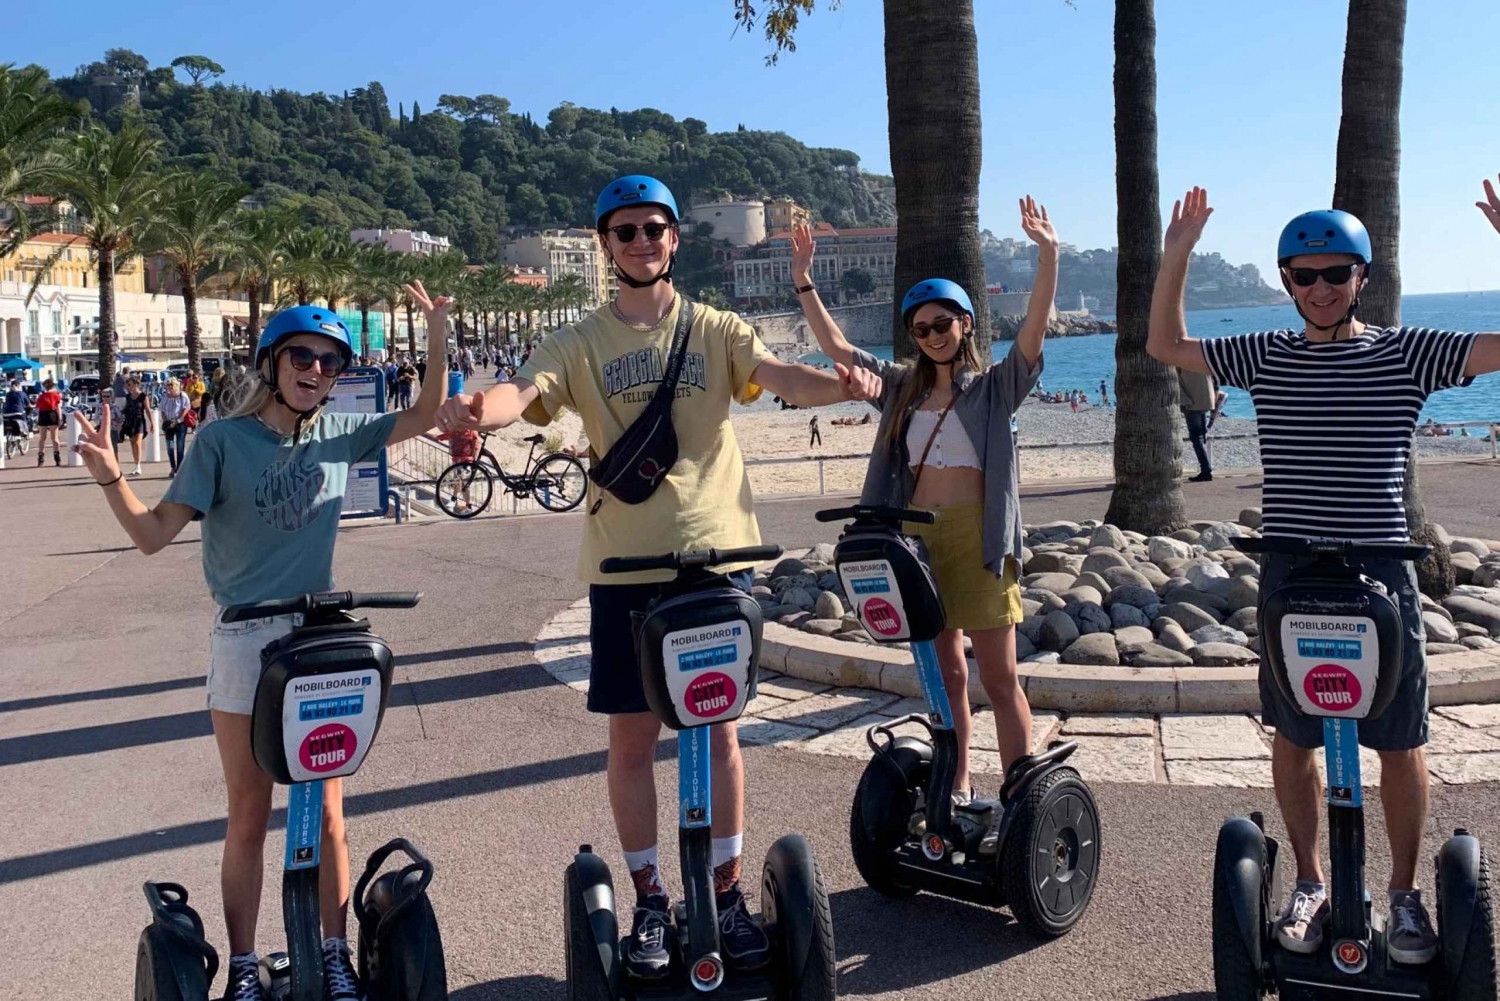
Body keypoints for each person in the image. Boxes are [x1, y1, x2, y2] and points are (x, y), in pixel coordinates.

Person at [433, 175, 876, 978]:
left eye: (654, 229)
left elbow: (779, 377)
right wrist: (474, 407)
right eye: (626, 231)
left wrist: (837, 384)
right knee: (633, 739)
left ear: (675, 239)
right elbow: (521, 392)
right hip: (625, 570)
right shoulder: (581, 339)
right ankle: (647, 897)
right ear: (607, 244)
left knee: (721, 734)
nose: (641, 242)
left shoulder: (714, 328)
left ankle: (729, 892)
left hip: (717, 562)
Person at [1147, 180, 1500, 965]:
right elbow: (1168, 347)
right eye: (1302, 276)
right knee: (1296, 732)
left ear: (1361, 277)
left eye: (1335, 273)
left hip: (1382, 569)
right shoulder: (1266, 354)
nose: (1319, 288)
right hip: (1291, 572)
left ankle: (1404, 894)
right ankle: (1310, 880)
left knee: (1400, 740)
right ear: (1286, 282)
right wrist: (1176, 255)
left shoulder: (1407, 351)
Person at [70, 288, 450, 1001]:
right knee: (249, 809)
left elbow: (427, 414)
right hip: (247, 637)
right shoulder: (221, 443)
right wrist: (111, 475)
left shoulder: (338, 439)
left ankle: (334, 953)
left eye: (331, 362)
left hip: (316, 641)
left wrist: (434, 328)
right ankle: (244, 964)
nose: (316, 369)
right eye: (303, 356)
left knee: (328, 807)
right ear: (272, 362)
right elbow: (154, 536)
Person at [788, 194, 1055, 802]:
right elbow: (837, 350)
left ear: (965, 324)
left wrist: (1048, 258)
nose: (932, 335)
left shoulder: (993, 389)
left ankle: (1019, 791)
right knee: (946, 673)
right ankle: (955, 781)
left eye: (943, 323)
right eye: (921, 328)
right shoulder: (901, 389)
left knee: (1001, 673)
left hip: (980, 541)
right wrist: (803, 281)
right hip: (918, 542)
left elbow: (1034, 333)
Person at [1178, 365, 1217, 482]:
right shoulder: (1198, 358)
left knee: (1196, 438)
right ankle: (1207, 468)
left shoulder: (1179, 360)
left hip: (1191, 402)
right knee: (1201, 434)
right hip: (1206, 399)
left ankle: (1206, 469)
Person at [118, 377, 155, 477]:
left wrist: (152, 423)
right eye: (127, 385)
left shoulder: (143, 396)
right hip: (130, 421)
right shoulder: (128, 397)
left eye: (129, 384)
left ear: (135, 384)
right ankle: (136, 464)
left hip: (139, 421)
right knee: (132, 442)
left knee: (138, 443)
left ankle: (138, 466)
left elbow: (147, 410)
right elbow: (126, 409)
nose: (128, 386)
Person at [157, 378, 192, 477]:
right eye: (168, 385)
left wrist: (178, 420)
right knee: (170, 447)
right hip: (169, 424)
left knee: (180, 447)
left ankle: (180, 468)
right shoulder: (165, 396)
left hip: (180, 424)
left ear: (177, 385)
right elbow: (162, 410)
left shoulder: (182, 395)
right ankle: (173, 467)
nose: (169, 387)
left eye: (171, 384)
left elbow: (186, 408)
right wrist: (165, 421)